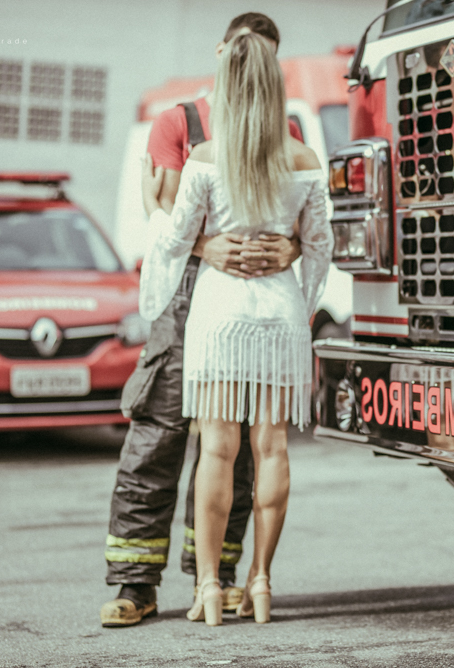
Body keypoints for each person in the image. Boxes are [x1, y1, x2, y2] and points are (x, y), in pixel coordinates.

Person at [99, 12, 302, 629]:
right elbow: (157, 213)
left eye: (263, 56)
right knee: (158, 436)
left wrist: (290, 250)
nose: (251, 66)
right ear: (221, 52)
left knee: (235, 452)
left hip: (253, 297)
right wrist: (204, 248)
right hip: (189, 294)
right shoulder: (178, 123)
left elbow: (299, 224)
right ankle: (135, 584)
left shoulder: (287, 129)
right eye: (244, 52)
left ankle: (215, 578)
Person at [139, 30, 331, 626]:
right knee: (270, 448)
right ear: (275, 87)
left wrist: (158, 206)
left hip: (219, 317)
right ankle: (261, 582)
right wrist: (291, 259)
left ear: (226, 85)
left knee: (215, 450)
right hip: (277, 318)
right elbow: (321, 250)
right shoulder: (303, 162)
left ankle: (207, 592)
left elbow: (172, 246)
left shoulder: (203, 160)